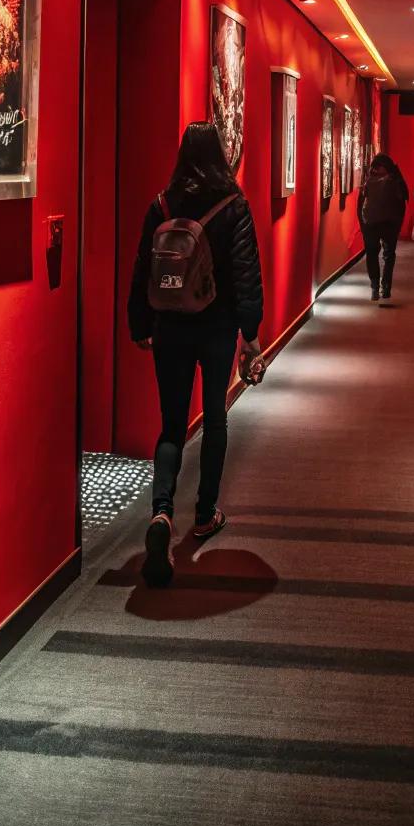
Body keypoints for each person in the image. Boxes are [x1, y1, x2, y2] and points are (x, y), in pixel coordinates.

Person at [128, 120, 264, 587]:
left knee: (170, 424)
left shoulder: (162, 203)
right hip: (218, 326)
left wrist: (140, 323)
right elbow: (246, 269)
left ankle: (161, 513)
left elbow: (143, 265)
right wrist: (251, 332)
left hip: (170, 326)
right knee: (215, 419)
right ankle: (204, 514)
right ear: (220, 152)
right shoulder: (233, 204)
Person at [357, 152, 409, 302]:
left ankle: (374, 286)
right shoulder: (396, 179)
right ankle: (385, 287)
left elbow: (360, 205)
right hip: (390, 224)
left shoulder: (368, 179)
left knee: (372, 254)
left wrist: (363, 223)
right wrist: (398, 224)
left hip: (371, 224)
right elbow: (403, 202)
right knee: (389, 255)